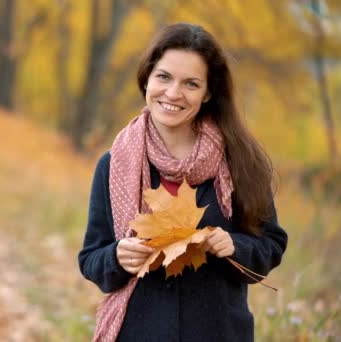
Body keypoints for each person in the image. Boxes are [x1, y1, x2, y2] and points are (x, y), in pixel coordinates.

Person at [78, 23, 288, 342]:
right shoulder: (114, 165)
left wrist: (237, 246)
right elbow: (91, 259)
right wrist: (116, 257)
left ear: (208, 93)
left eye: (191, 83)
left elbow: (271, 245)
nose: (173, 93)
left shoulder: (242, 162)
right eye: (164, 77)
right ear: (147, 78)